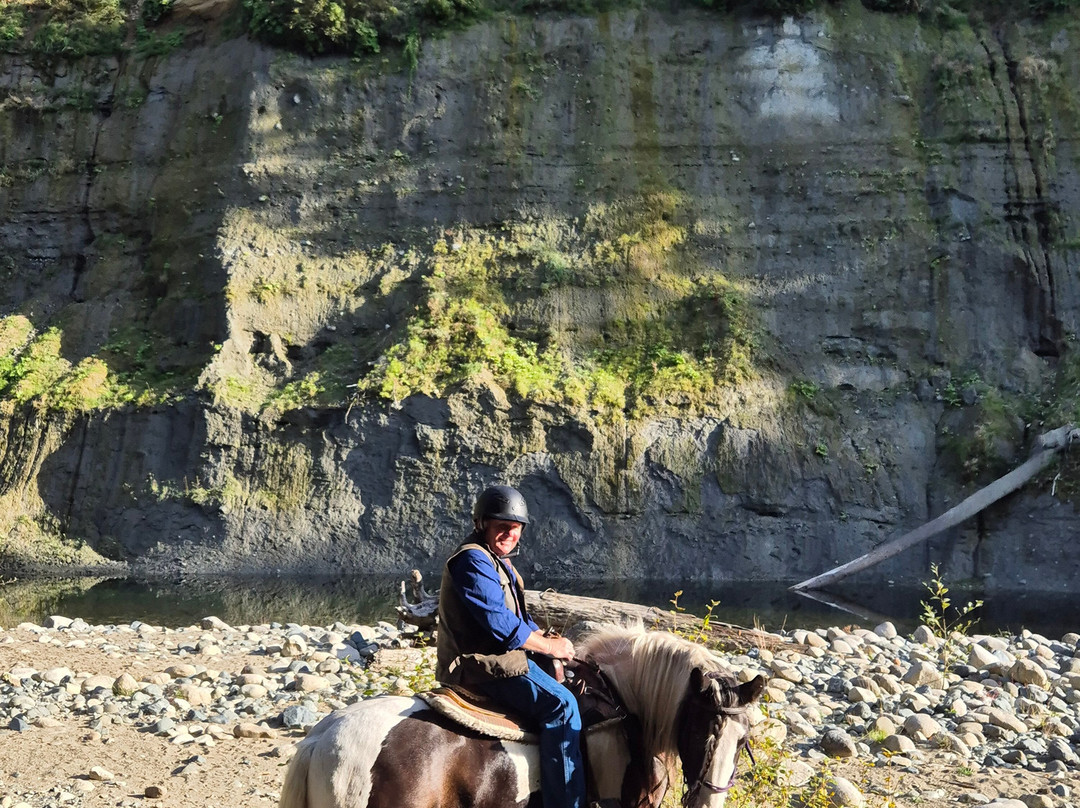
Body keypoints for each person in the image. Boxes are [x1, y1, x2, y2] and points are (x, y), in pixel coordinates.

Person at [437, 484, 584, 808]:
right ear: (481, 524)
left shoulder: (497, 561)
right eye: (501, 527)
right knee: (562, 706)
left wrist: (552, 642)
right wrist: (548, 649)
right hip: (481, 665)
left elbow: (520, 618)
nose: (509, 534)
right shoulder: (472, 561)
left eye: (515, 528)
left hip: (498, 657)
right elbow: (500, 625)